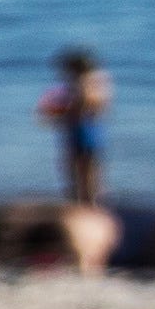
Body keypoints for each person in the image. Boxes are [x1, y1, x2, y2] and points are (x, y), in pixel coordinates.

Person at [47, 46, 112, 208]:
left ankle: (86, 203)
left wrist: (62, 112)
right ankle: (91, 202)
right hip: (90, 130)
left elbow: (81, 107)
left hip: (82, 130)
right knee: (88, 168)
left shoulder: (83, 84)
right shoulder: (98, 82)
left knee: (81, 168)